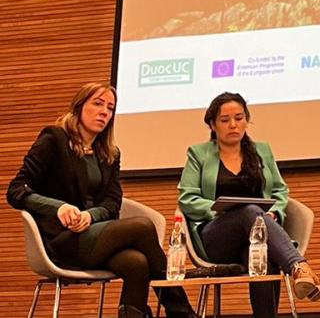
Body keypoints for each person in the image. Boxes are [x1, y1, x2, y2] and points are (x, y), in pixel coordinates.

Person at [7, 82, 196, 318]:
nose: (104, 112)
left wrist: (89, 215)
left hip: (95, 236)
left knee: (136, 263)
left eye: (110, 108)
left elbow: (111, 203)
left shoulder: (109, 154)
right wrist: (58, 208)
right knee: (142, 226)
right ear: (78, 107)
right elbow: (16, 190)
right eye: (97, 103)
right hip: (61, 240)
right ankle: (181, 312)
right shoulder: (53, 139)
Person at [177, 92, 320, 318]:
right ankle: (298, 266)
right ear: (213, 125)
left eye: (239, 117)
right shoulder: (198, 153)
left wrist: (274, 212)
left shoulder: (262, 151)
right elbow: (187, 198)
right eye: (225, 120)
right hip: (216, 236)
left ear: (247, 119)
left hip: (257, 234)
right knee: (250, 211)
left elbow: (280, 191)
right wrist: (217, 209)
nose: (233, 125)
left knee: (263, 253)